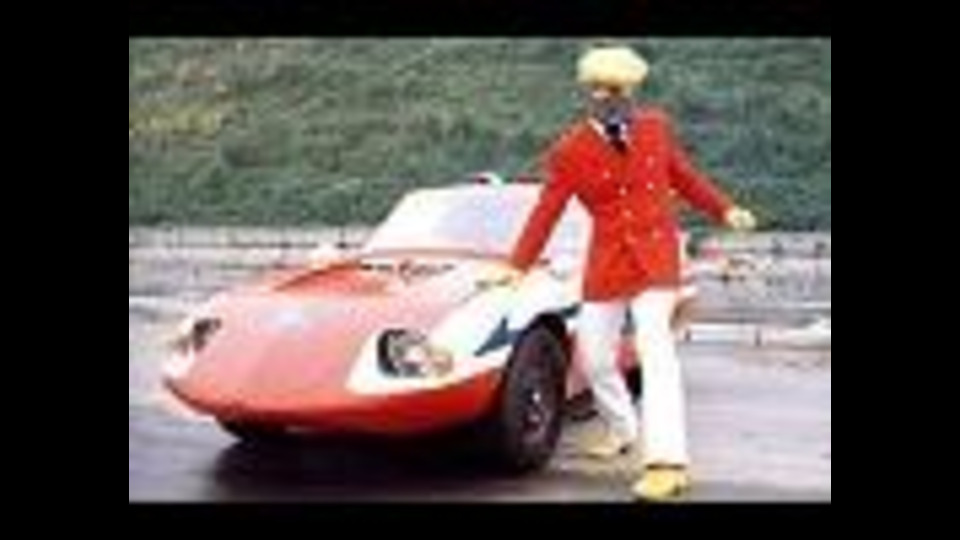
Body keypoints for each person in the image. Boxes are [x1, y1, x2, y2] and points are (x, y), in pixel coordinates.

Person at [483, 44, 756, 500]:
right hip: (608, 262)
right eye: (599, 89)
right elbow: (546, 211)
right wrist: (517, 266)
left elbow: (684, 177)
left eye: (618, 89)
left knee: (655, 349)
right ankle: (623, 428)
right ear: (587, 92)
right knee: (593, 356)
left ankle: (667, 463)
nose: (608, 97)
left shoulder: (656, 128)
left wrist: (724, 209)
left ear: (631, 90)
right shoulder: (569, 150)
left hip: (656, 259)